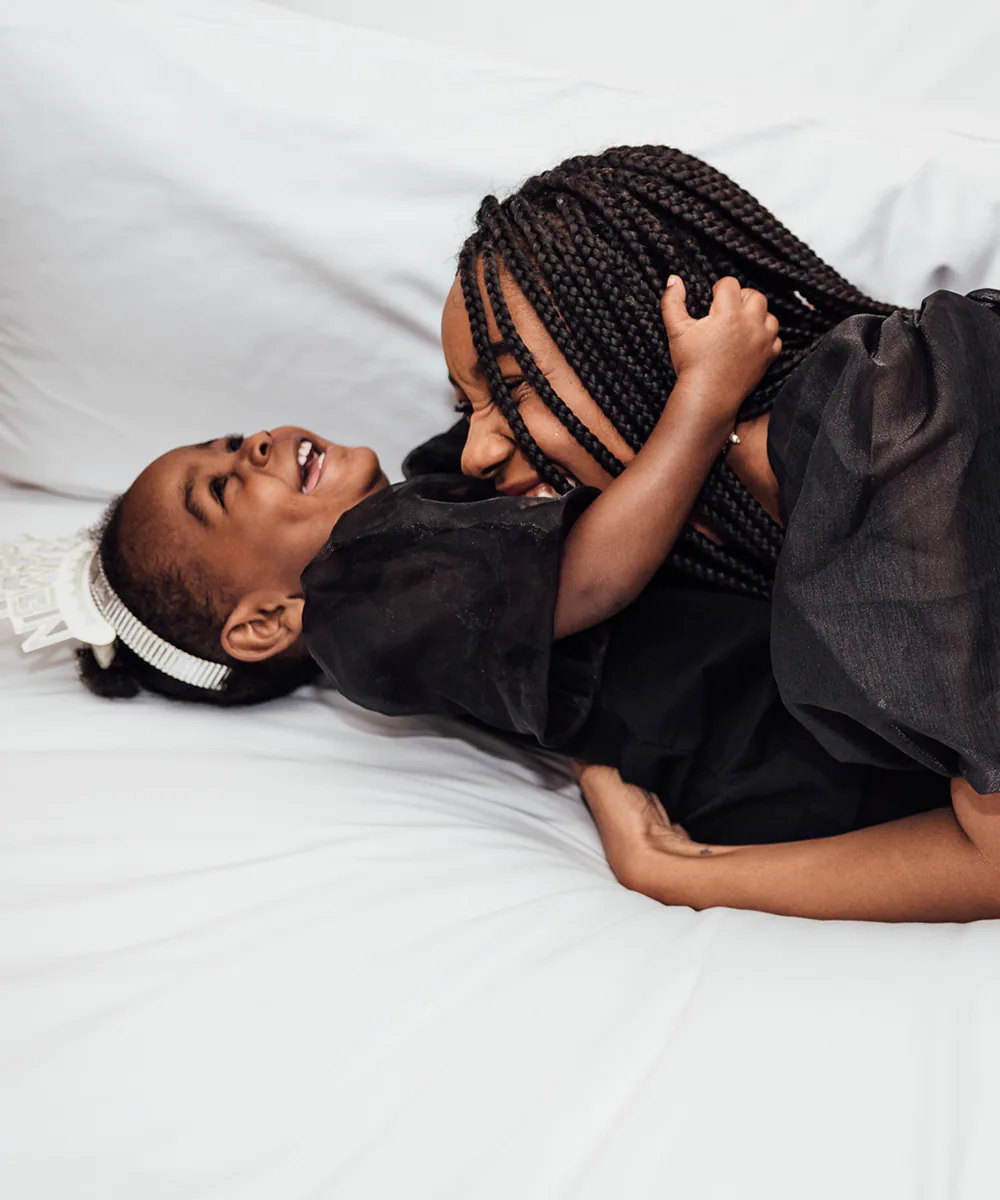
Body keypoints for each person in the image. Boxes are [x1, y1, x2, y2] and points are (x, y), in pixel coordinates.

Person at [17, 144, 992, 920]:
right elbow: (588, 583)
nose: (254, 446)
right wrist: (700, 397)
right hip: (782, 765)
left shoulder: (434, 502)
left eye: (229, 440)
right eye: (222, 492)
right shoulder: (357, 597)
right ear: (265, 621)